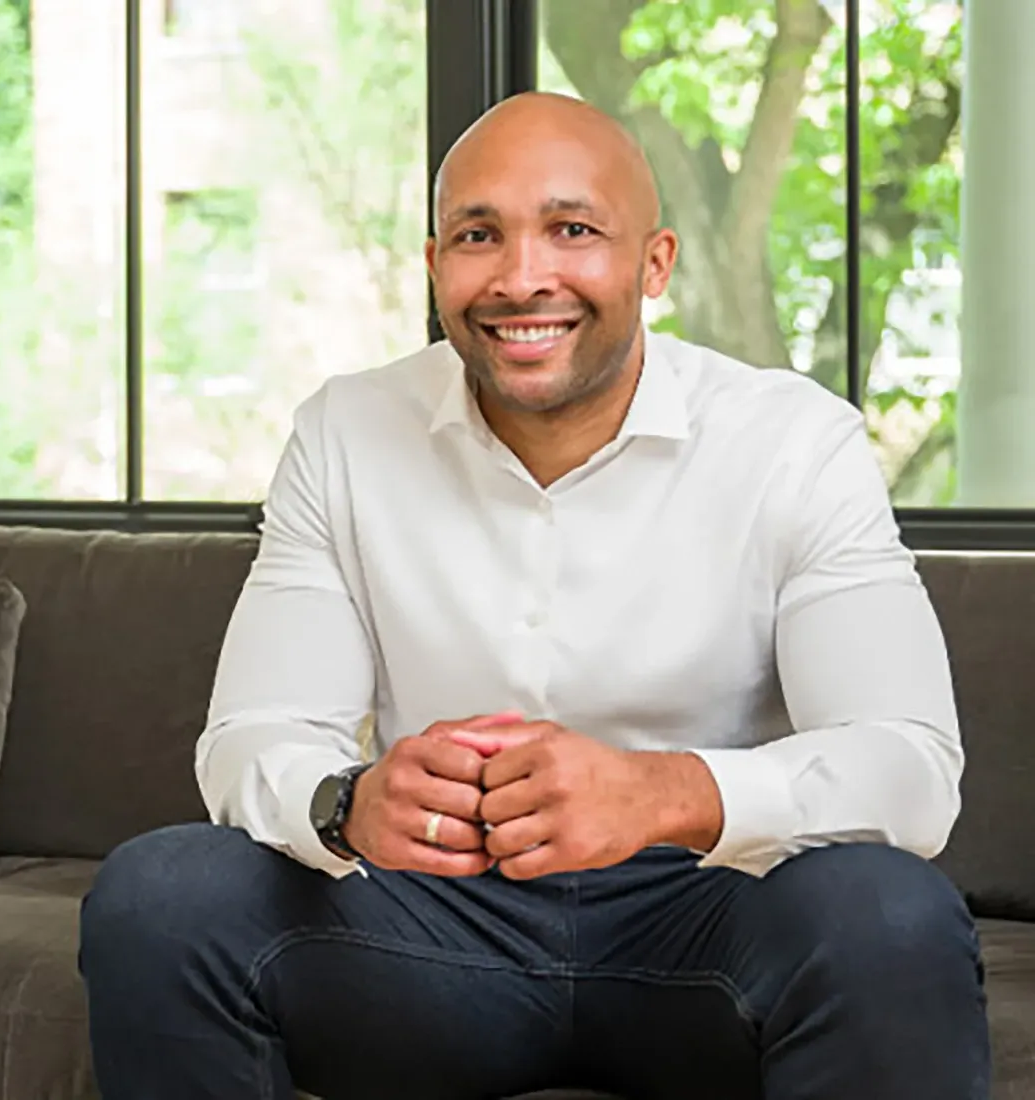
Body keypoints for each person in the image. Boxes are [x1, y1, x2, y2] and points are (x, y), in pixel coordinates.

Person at [79, 92, 989, 1100]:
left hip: (710, 925)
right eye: (478, 235)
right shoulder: (344, 431)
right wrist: (350, 801)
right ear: (435, 268)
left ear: (653, 262)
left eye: (572, 229)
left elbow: (909, 768)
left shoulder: (793, 443)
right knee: (160, 890)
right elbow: (253, 735)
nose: (520, 278)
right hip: (432, 927)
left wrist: (665, 792)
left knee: (886, 910)